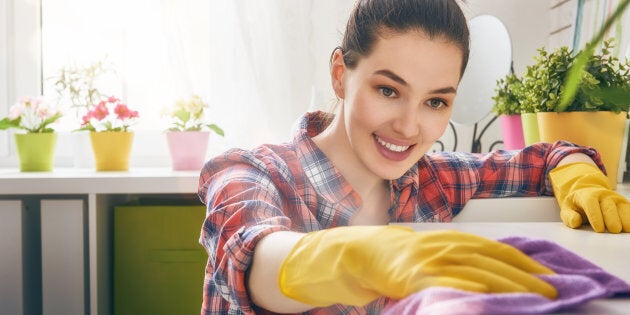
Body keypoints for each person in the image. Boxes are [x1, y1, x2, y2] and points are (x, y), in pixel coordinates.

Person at [197, 0, 630, 314]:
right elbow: (254, 259)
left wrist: (579, 174)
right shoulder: (252, 174)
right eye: (388, 90)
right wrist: (358, 258)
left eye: (436, 102)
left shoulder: (432, 182)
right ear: (339, 75)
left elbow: (549, 156)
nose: (408, 127)